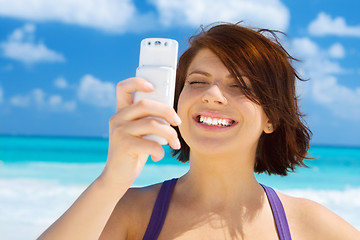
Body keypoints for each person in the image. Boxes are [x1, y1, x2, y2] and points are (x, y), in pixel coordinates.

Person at [38, 23, 360, 240]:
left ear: (271, 118)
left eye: (240, 86)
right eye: (197, 82)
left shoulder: (308, 226)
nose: (212, 95)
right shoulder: (131, 213)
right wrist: (112, 181)